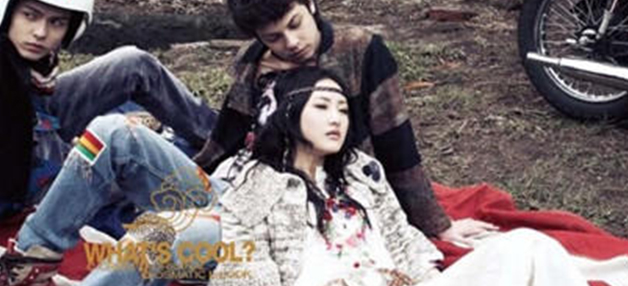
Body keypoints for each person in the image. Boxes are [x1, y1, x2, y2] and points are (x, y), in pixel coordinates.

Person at [0, 0, 217, 285]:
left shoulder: (20, 53)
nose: (40, 32)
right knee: (121, 156)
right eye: (30, 15)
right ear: (6, 9)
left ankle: (221, 142)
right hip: (9, 178)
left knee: (133, 64)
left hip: (31, 118)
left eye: (56, 22)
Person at [194, 0, 491, 245]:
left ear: (310, 3)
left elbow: (396, 141)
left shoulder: (359, 50)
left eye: (295, 24)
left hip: (326, 201)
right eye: (274, 38)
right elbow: (226, 136)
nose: (291, 42)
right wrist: (196, 181)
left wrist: (437, 224)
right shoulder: (253, 61)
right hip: (254, 189)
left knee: (180, 237)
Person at [211, 66, 588, 286]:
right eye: (322, 106)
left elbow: (402, 239)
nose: (336, 119)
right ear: (287, 112)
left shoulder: (360, 173)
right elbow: (240, 271)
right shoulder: (254, 188)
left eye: (343, 110)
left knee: (528, 245)